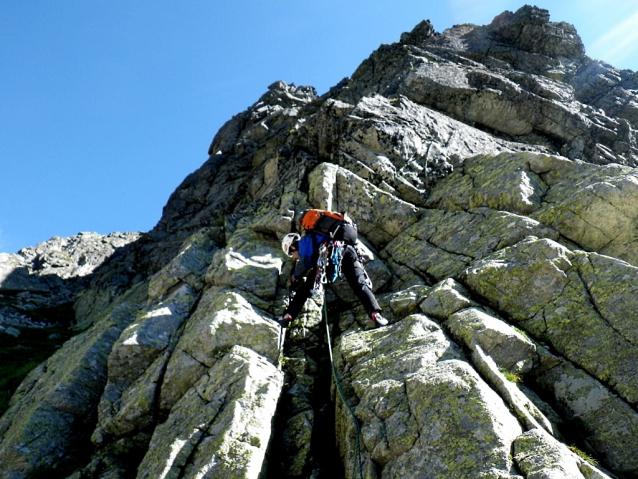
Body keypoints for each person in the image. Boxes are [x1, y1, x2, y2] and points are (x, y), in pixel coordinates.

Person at [280, 212, 388, 327]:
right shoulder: (319, 234)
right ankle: (376, 315)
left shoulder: (305, 241)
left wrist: (295, 276)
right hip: (349, 250)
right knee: (359, 283)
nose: (295, 257)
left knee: (306, 288)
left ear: (292, 247)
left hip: (330, 253)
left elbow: (305, 262)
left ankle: (288, 315)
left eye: (292, 254)